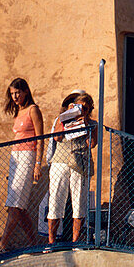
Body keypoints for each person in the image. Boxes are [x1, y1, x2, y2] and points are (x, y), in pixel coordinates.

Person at [0, 78, 43, 254]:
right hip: (15, 157)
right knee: (20, 206)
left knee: (15, 203)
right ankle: (34, 243)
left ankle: (2, 245)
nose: (15, 96)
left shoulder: (33, 110)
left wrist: (37, 164)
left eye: (18, 92)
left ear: (26, 91)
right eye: (12, 94)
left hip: (28, 156)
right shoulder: (18, 112)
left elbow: (40, 138)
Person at [47, 92, 96, 244]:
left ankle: (75, 241)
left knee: (79, 201)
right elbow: (57, 137)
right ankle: (51, 241)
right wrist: (67, 117)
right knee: (55, 200)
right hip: (60, 161)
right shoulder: (60, 119)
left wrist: (85, 122)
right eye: (78, 107)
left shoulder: (93, 124)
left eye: (85, 108)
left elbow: (92, 144)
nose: (81, 110)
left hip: (80, 163)